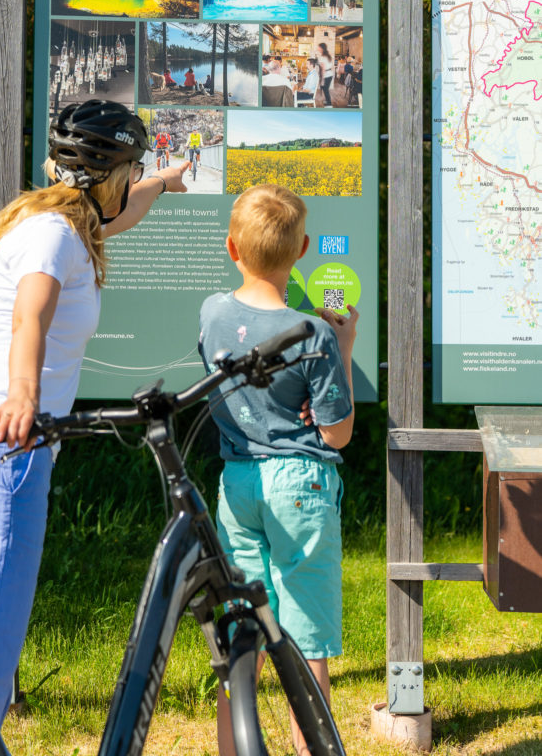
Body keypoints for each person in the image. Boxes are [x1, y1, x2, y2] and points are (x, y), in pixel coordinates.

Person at [0, 101, 190, 746]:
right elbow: (30, 314)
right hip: (4, 440)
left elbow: (120, 215)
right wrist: (23, 396)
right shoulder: (54, 238)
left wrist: (163, 181)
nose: (134, 180)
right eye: (132, 169)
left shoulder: (62, 220)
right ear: (106, 173)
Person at [198, 184, 358, 753]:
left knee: (242, 623)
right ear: (303, 249)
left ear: (232, 249)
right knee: (305, 633)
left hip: (237, 481)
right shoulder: (313, 335)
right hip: (301, 485)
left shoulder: (212, 311)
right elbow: (338, 431)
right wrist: (344, 346)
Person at [316, 41, 334, 107]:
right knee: (325, 88)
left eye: (318, 47)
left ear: (322, 48)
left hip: (326, 75)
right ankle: (327, 100)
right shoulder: (327, 56)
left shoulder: (323, 57)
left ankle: (329, 103)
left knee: (325, 89)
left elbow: (323, 69)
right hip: (330, 74)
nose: (318, 48)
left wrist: (322, 79)